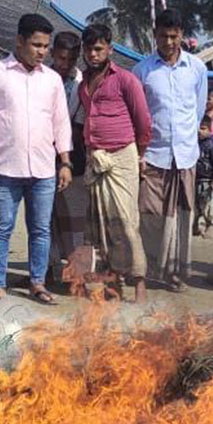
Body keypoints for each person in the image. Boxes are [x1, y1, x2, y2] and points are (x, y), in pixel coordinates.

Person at [0, 13, 73, 307]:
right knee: (1, 228)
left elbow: (60, 123)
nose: (42, 52)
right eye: (36, 44)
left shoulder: (52, 79)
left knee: (40, 230)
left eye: (45, 46)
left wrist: (64, 162)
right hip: (4, 167)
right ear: (19, 41)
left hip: (43, 170)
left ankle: (37, 282)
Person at [133, 9, 209, 292]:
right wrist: (139, 154)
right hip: (153, 155)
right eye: (163, 36)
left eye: (173, 36)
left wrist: (189, 139)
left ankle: (176, 275)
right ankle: (150, 271)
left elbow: (198, 109)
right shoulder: (142, 70)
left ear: (181, 35)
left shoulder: (197, 69)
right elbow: (138, 114)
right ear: (155, 35)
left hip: (186, 154)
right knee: (150, 216)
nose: (168, 42)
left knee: (181, 216)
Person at [78, 23, 152, 303]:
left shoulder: (125, 79)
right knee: (101, 225)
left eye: (98, 49)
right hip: (95, 158)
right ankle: (113, 283)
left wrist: (139, 155)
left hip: (122, 157)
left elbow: (143, 121)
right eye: (89, 49)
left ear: (110, 49)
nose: (93, 54)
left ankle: (139, 285)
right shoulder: (83, 82)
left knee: (126, 223)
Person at [48, 31, 88, 283]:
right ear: (53, 54)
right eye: (61, 58)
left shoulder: (82, 83)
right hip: (41, 157)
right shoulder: (42, 77)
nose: (65, 64)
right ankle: (46, 270)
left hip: (74, 157)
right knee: (44, 219)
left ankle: (78, 274)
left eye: (71, 60)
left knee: (75, 218)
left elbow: (80, 123)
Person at [194, 117, 213, 238]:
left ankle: (208, 226)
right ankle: (194, 226)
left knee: (208, 208)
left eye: (203, 128)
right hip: (195, 180)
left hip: (208, 182)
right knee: (195, 207)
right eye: (198, 128)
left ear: (210, 131)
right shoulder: (193, 144)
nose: (200, 131)